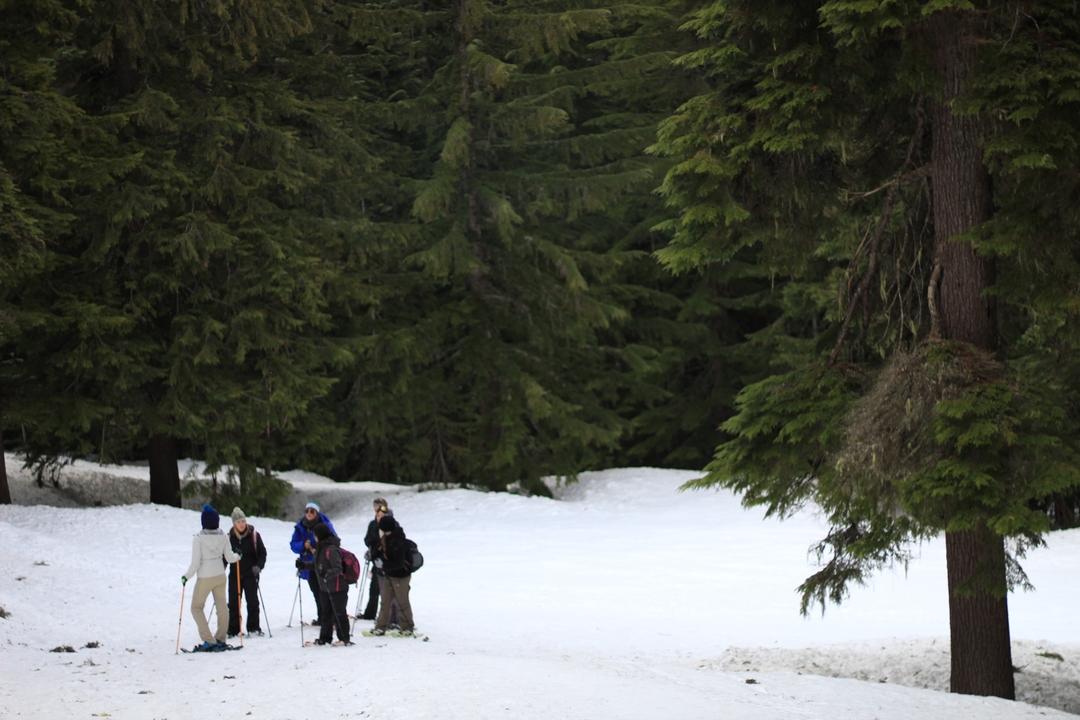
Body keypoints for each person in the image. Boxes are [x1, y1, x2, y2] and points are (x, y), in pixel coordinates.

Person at [182, 504, 241, 652]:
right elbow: (229, 557)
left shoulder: (198, 538)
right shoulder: (224, 536)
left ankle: (209, 640)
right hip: (220, 575)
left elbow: (195, 563)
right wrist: (238, 556)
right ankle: (221, 638)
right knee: (222, 607)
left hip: (205, 577)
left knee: (196, 607)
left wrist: (186, 577)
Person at [295, 523, 352, 645]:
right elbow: (316, 565)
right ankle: (325, 638)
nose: (314, 538)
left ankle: (344, 638)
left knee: (339, 613)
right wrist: (304, 565)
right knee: (325, 613)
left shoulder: (331, 549)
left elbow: (338, 568)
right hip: (325, 587)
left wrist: (327, 573)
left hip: (337, 587)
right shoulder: (320, 547)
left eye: (315, 535)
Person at [290, 501, 335, 625]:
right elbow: (293, 544)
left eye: (312, 511)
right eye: (307, 511)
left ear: (317, 513)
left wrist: (315, 545)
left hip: (323, 562)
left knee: (325, 591)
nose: (309, 514)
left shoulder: (325, 524)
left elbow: (333, 540)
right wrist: (303, 546)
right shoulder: (300, 526)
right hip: (308, 563)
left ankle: (329, 618)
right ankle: (322, 617)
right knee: (316, 591)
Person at [369, 514, 415, 636]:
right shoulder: (385, 538)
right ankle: (381, 627)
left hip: (401, 576)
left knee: (402, 601)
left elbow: (399, 563)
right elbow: (378, 551)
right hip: (389, 575)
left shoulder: (398, 541)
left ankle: (407, 627)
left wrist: (383, 566)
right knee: (385, 601)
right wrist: (371, 555)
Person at [227, 507, 267, 638]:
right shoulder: (229, 537)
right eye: (239, 522)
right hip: (235, 575)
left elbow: (262, 553)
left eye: (243, 521)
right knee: (233, 602)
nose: (242, 524)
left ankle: (253, 628)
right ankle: (233, 629)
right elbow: (225, 556)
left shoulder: (254, 535)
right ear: (234, 524)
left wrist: (258, 566)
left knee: (252, 601)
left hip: (251, 574)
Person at [361, 498, 394, 622]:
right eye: (375, 505)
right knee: (374, 587)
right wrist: (371, 547)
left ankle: (388, 616)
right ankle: (370, 613)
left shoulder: (389, 521)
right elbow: (368, 538)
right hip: (375, 558)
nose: (376, 508)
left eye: (379, 506)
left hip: (386, 559)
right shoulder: (373, 523)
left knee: (386, 588)